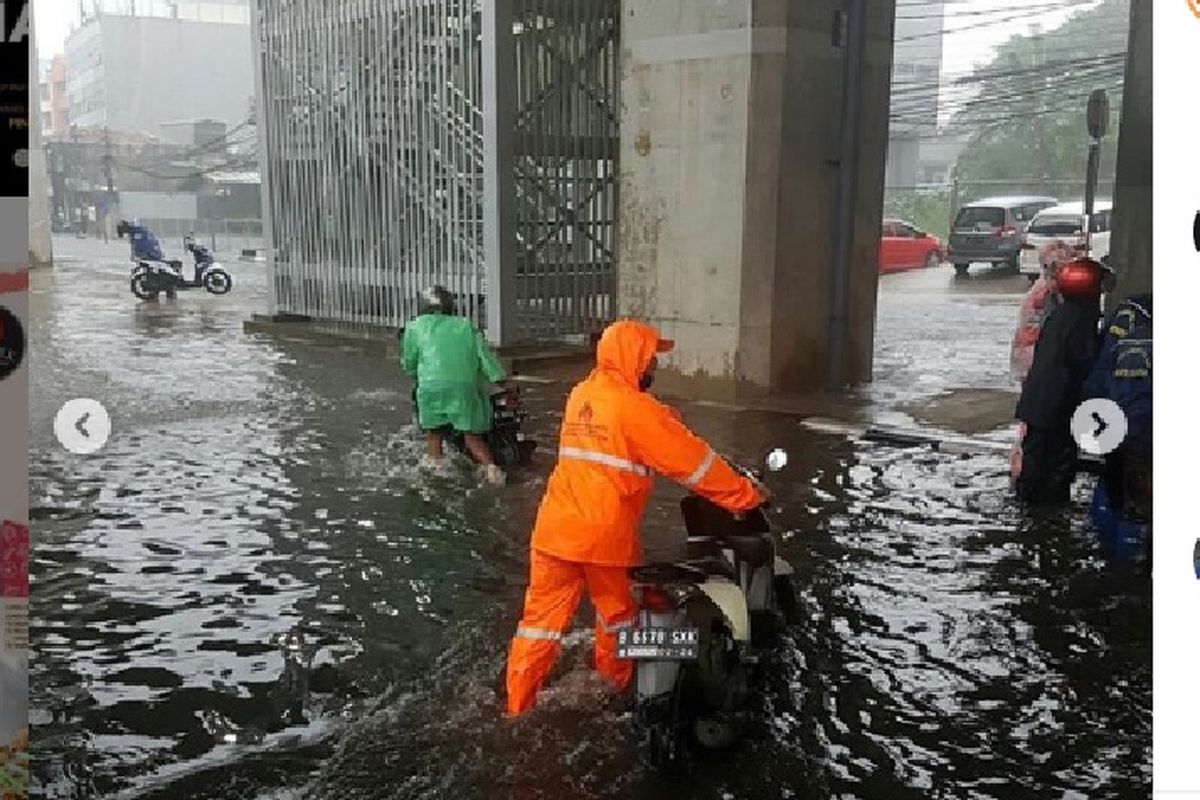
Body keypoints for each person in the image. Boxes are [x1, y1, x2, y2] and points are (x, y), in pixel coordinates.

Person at [503, 319, 768, 716]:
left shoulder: (582, 394)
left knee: (538, 624)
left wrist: (664, 418)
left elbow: (628, 426)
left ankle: (516, 708)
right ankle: (613, 691)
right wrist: (745, 496)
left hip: (554, 532)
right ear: (634, 359)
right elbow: (693, 465)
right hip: (603, 539)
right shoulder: (636, 410)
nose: (654, 367)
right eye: (649, 359)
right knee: (618, 620)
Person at [1013, 258, 1105, 504]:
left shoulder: (1058, 315)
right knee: (1057, 470)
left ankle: (1029, 517)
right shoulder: (1084, 320)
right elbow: (1084, 363)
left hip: (1037, 403)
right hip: (1059, 408)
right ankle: (1047, 519)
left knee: (1034, 467)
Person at [401, 286, 508, 486]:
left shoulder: (414, 327)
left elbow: (409, 361)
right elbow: (485, 358)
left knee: (434, 434)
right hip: (463, 388)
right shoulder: (465, 326)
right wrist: (499, 378)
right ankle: (492, 470)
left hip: (430, 386)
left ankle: (436, 471)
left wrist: (415, 374)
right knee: (472, 436)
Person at [1083, 292, 1152, 525]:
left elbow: (1095, 385)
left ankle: (1115, 548)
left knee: (1120, 496)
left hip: (1115, 425)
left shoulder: (1121, 339)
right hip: (1145, 432)